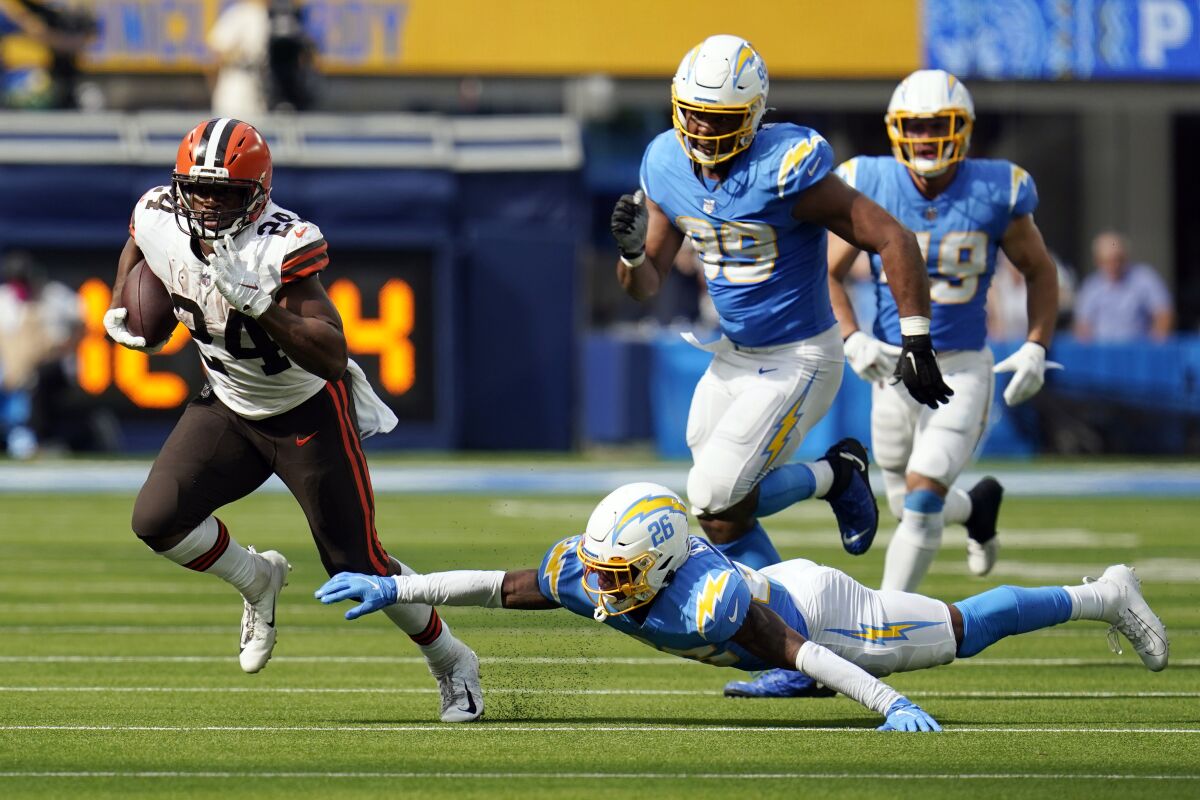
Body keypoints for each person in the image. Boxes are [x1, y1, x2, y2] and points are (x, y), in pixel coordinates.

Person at [102, 118, 483, 722]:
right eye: (199, 189)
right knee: (156, 519)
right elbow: (139, 239)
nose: (208, 204)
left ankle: (453, 661)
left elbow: (333, 355)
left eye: (225, 192)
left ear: (256, 192)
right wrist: (121, 298)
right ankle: (257, 579)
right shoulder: (157, 211)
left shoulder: (280, 243)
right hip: (228, 402)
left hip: (305, 410)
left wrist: (261, 307)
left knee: (358, 564)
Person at [314, 482, 1169, 732]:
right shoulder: (592, 570)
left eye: (621, 574)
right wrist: (392, 588)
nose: (602, 587)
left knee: (961, 630)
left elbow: (804, 651)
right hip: (776, 613)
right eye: (601, 572)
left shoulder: (711, 599)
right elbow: (495, 587)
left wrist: (890, 699)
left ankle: (1101, 593)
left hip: (826, 615)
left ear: (664, 561)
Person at [609, 36, 951, 584]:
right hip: (733, 356)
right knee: (719, 516)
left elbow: (893, 237)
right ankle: (785, 631)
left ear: (752, 117)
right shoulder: (666, 163)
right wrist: (629, 253)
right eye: (693, 116)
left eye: (716, 119)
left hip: (800, 357)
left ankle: (833, 476)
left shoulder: (786, 167)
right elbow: (644, 285)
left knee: (713, 492)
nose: (699, 131)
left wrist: (916, 337)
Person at [826, 69, 1061, 598]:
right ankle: (977, 507)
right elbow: (828, 272)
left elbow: (1040, 270)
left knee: (925, 494)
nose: (927, 139)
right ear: (895, 130)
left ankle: (885, 623)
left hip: (958, 366)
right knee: (901, 502)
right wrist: (852, 336)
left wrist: (1036, 345)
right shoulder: (870, 181)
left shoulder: (997, 188)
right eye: (916, 126)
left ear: (963, 129)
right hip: (891, 366)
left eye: (939, 126)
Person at [1074, 232, 1174, 343]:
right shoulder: (1091, 285)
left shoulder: (1144, 278)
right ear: (1097, 261)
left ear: (1125, 257)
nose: (1113, 265)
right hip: (1102, 355)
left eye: (1117, 259)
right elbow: (1082, 325)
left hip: (1138, 353)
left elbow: (1163, 314)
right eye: (1107, 261)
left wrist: (1156, 345)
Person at [206, 0, 269, 121]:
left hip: (259, 87)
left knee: (256, 134)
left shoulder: (271, 16)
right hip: (236, 85)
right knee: (230, 133)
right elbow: (215, 52)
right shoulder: (241, 13)